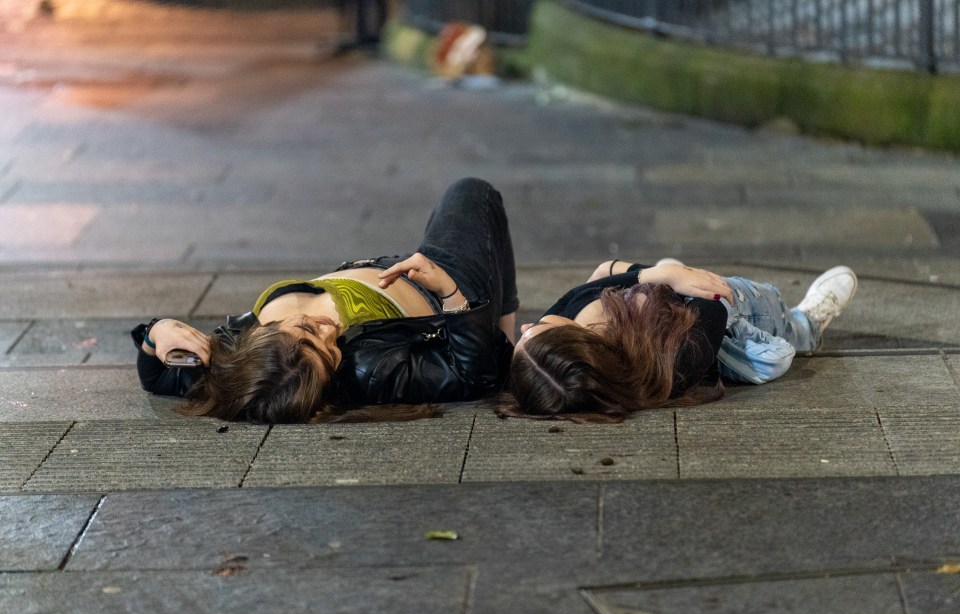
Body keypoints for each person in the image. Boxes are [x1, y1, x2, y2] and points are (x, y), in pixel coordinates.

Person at [132, 178, 518, 424]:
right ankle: (504, 335)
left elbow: (159, 377)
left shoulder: (233, 359)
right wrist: (451, 293)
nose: (331, 332)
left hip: (385, 270)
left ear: (259, 340)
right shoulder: (370, 372)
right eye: (331, 352)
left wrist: (157, 333)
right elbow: (473, 377)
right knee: (471, 193)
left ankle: (505, 338)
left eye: (307, 329)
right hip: (443, 284)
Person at [498, 259, 858, 423]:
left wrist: (661, 274)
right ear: (575, 342)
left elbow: (601, 272)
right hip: (744, 319)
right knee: (741, 296)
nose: (528, 323)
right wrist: (664, 278)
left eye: (524, 333)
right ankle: (805, 323)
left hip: (674, 300)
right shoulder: (668, 365)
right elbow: (715, 310)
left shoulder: (565, 321)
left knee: (678, 271)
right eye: (535, 329)